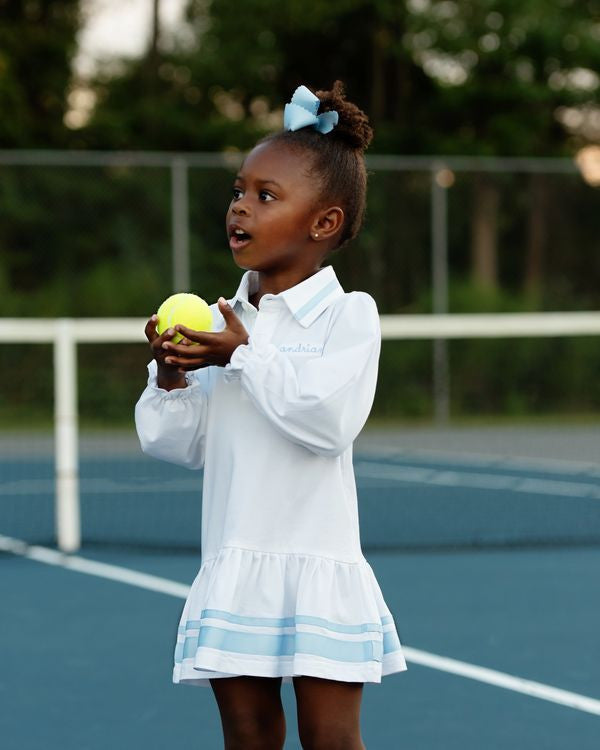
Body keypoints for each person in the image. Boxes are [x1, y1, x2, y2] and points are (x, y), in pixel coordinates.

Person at [135, 81, 407, 750]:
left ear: (324, 224)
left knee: (331, 740)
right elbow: (178, 443)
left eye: (266, 196)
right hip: (235, 569)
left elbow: (327, 420)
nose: (240, 208)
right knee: (249, 737)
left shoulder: (351, 316)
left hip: (320, 567)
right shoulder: (224, 320)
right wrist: (172, 374)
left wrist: (243, 356)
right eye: (238, 190)